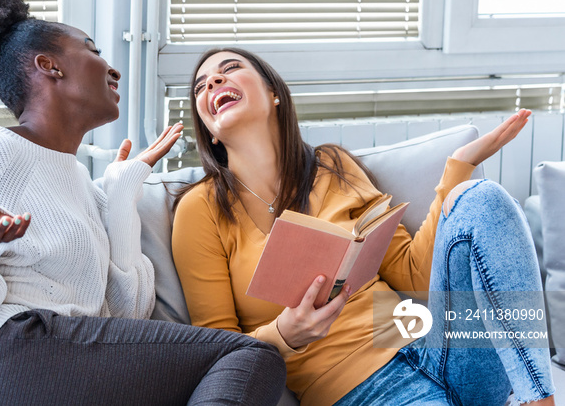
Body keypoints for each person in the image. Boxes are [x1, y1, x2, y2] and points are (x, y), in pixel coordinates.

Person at [0, 0, 287, 406]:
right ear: (50, 66)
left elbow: (126, 316)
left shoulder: (81, 182)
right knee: (251, 355)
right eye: (93, 50)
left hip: (58, 366)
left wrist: (122, 192)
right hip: (0, 358)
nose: (113, 69)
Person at [171, 47, 556, 405]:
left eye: (229, 69)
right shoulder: (200, 209)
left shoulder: (331, 167)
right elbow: (219, 350)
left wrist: (457, 167)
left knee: (481, 197)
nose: (213, 83)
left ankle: (540, 398)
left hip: (438, 343)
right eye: (202, 86)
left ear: (274, 94)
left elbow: (414, 274)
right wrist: (286, 333)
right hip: (364, 388)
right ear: (209, 129)